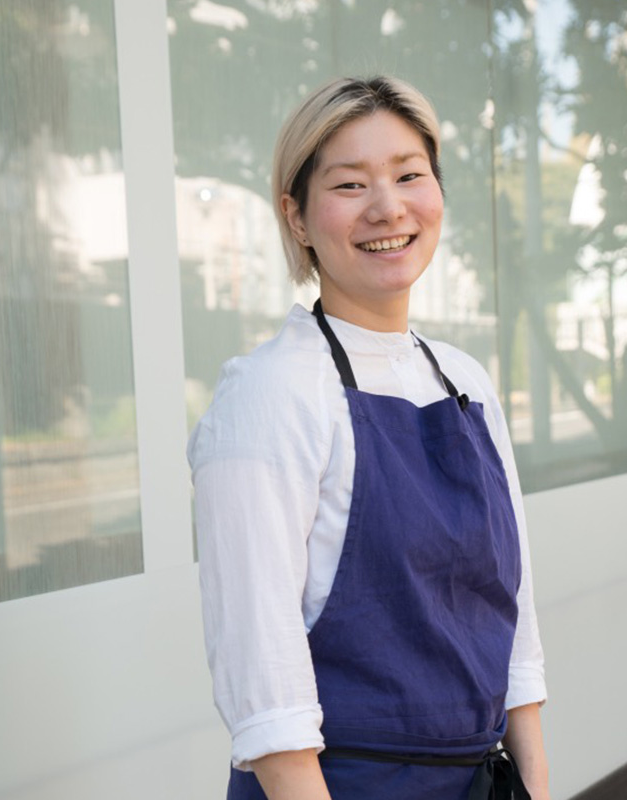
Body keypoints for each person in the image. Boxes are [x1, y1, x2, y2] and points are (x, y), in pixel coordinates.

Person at [187, 76, 549, 800]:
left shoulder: (465, 382)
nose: (389, 207)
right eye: (350, 185)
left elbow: (516, 628)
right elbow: (268, 697)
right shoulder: (270, 395)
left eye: (410, 175)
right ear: (295, 216)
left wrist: (536, 788)